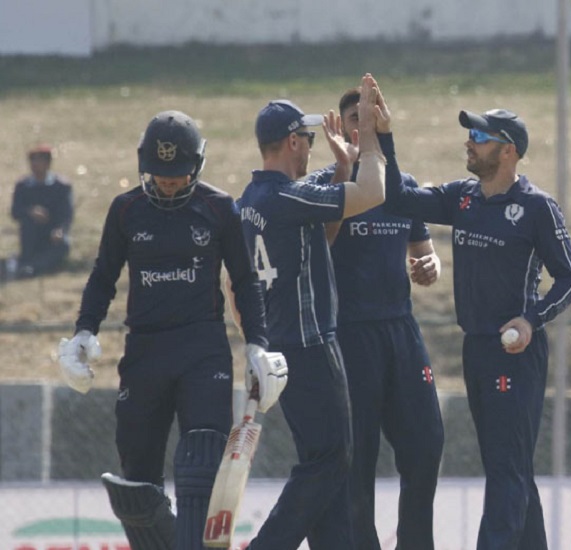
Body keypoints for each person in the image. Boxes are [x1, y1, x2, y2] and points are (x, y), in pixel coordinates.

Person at [57, 110, 287, 550]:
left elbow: (245, 280)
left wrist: (258, 344)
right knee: (135, 482)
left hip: (203, 349)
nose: (167, 182)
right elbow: (103, 276)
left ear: (197, 165)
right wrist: (84, 332)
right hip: (145, 352)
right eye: (159, 174)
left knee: (201, 460)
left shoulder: (218, 208)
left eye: (177, 174)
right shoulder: (126, 210)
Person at [382, 104, 571, 549]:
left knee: (507, 470)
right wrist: (385, 138)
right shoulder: (463, 197)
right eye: (470, 136)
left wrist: (531, 319)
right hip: (475, 349)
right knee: (509, 468)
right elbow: (398, 199)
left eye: (479, 137)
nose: (469, 143)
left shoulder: (536, 207)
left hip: (515, 352)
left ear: (508, 150)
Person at [237, 74, 387, 550]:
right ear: (291, 143)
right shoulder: (288, 198)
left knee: (326, 464)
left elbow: (313, 233)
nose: (309, 148)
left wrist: (341, 168)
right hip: (311, 346)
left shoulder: (250, 201)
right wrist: (372, 140)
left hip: (279, 349)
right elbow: (373, 193)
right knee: (331, 459)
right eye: (306, 139)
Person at [307, 87, 444, 550]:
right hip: (350, 332)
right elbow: (320, 245)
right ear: (341, 124)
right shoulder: (328, 181)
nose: (363, 125)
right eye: (355, 117)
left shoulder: (400, 183)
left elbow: (425, 252)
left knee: (427, 443)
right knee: (358, 456)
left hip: (400, 328)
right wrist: (345, 173)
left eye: (371, 116)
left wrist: (430, 266)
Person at [4, 144, 73, 280]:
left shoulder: (61, 186)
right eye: (32, 161)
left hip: (52, 233)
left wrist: (60, 229)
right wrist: (30, 211)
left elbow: (67, 214)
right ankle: (27, 264)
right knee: (28, 227)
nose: (34, 165)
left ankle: (32, 268)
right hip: (31, 233)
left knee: (63, 244)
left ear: (47, 163)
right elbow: (15, 212)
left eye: (39, 161)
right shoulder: (23, 186)